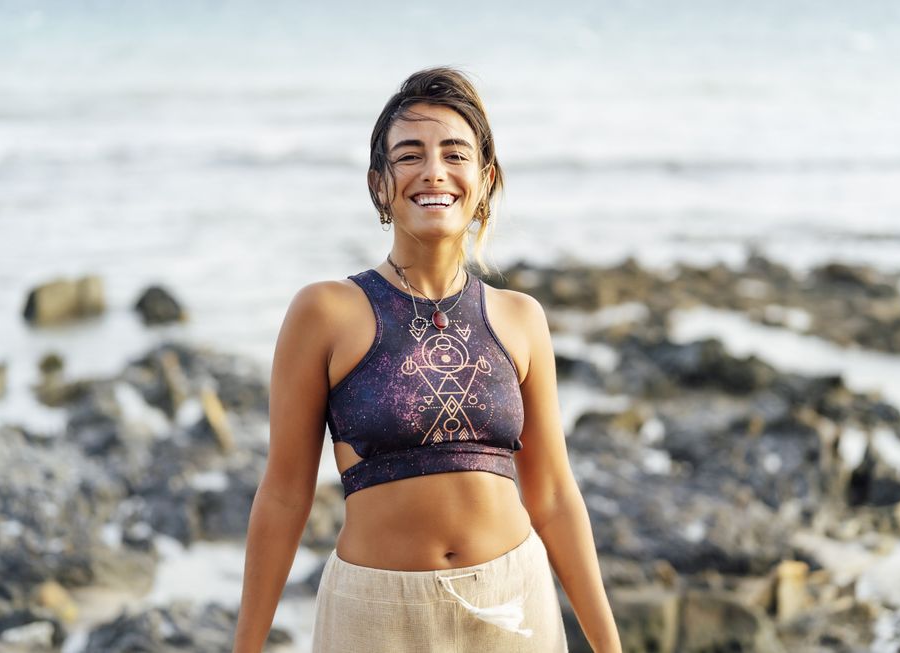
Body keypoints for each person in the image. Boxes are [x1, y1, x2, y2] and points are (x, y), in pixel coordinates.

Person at [232, 66, 623, 653]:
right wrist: (247, 646)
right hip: (374, 613)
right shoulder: (326, 312)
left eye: (455, 154)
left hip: (513, 605)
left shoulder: (520, 318)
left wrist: (608, 646)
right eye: (410, 154)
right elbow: (285, 494)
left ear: (485, 180)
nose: (434, 171)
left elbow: (554, 496)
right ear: (380, 184)